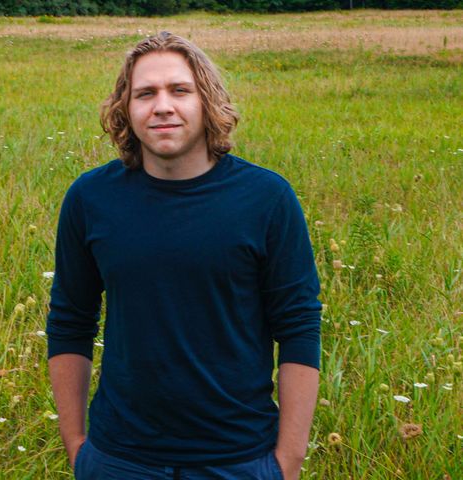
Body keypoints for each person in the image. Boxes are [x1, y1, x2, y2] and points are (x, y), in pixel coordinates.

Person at [46, 31, 321, 480]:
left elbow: (299, 326)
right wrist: (78, 447)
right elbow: (69, 321)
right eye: (145, 94)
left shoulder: (267, 199)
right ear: (126, 109)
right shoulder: (91, 198)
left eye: (179, 90)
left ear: (206, 101)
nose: (163, 106)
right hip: (120, 459)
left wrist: (287, 463)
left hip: (238, 459)